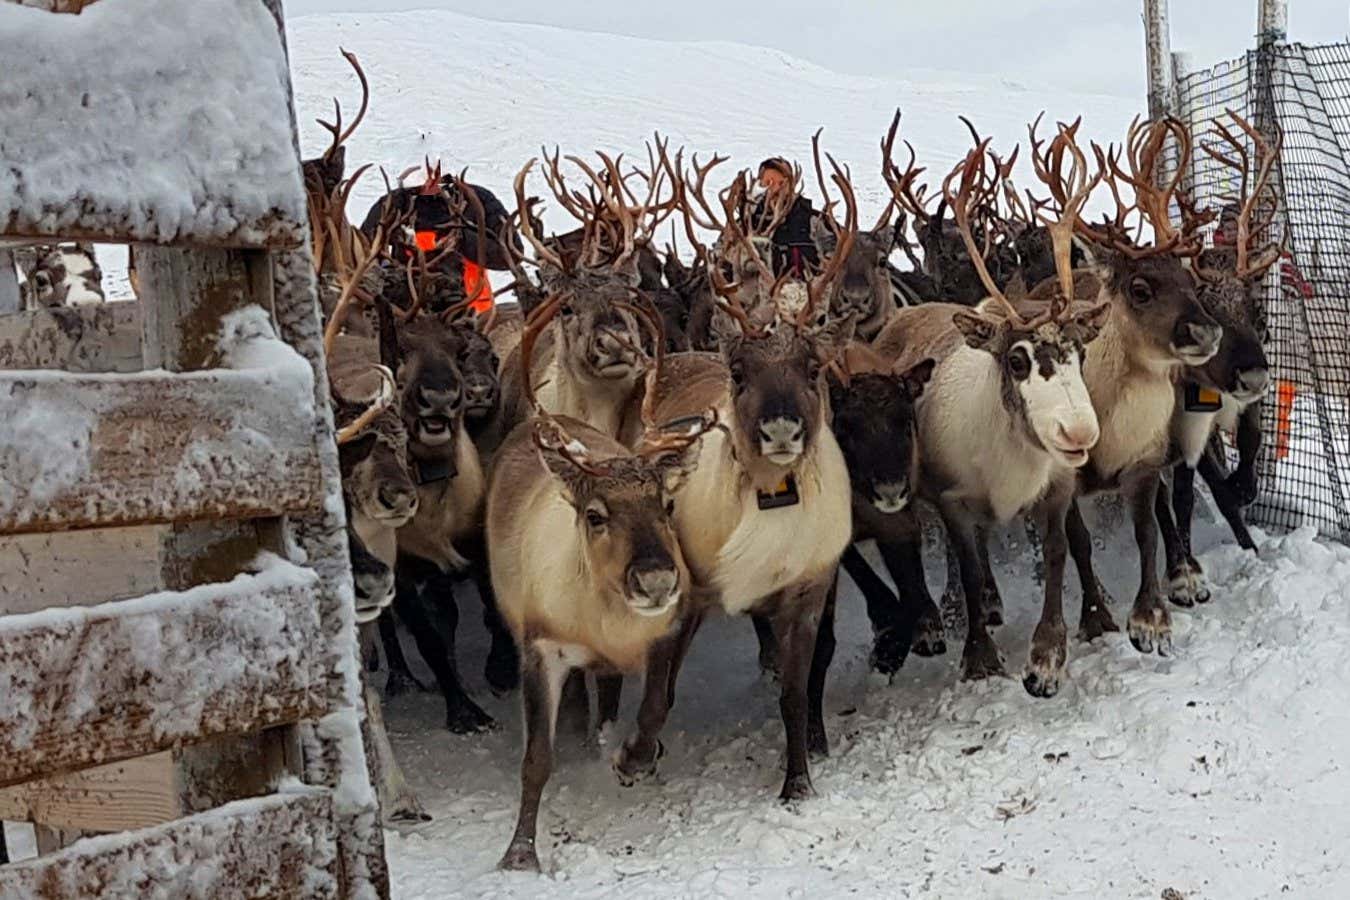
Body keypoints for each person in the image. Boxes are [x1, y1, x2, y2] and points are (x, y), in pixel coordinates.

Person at [359, 173, 520, 313]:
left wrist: (463, 238)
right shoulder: (394, 203)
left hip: (472, 315)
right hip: (410, 316)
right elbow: (363, 256)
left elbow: (512, 255)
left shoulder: (476, 198)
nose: (430, 178)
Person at [749, 157, 819, 278]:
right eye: (768, 183)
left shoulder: (816, 221)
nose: (776, 189)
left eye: (782, 183)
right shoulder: (745, 224)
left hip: (804, 293)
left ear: (793, 185)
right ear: (759, 184)